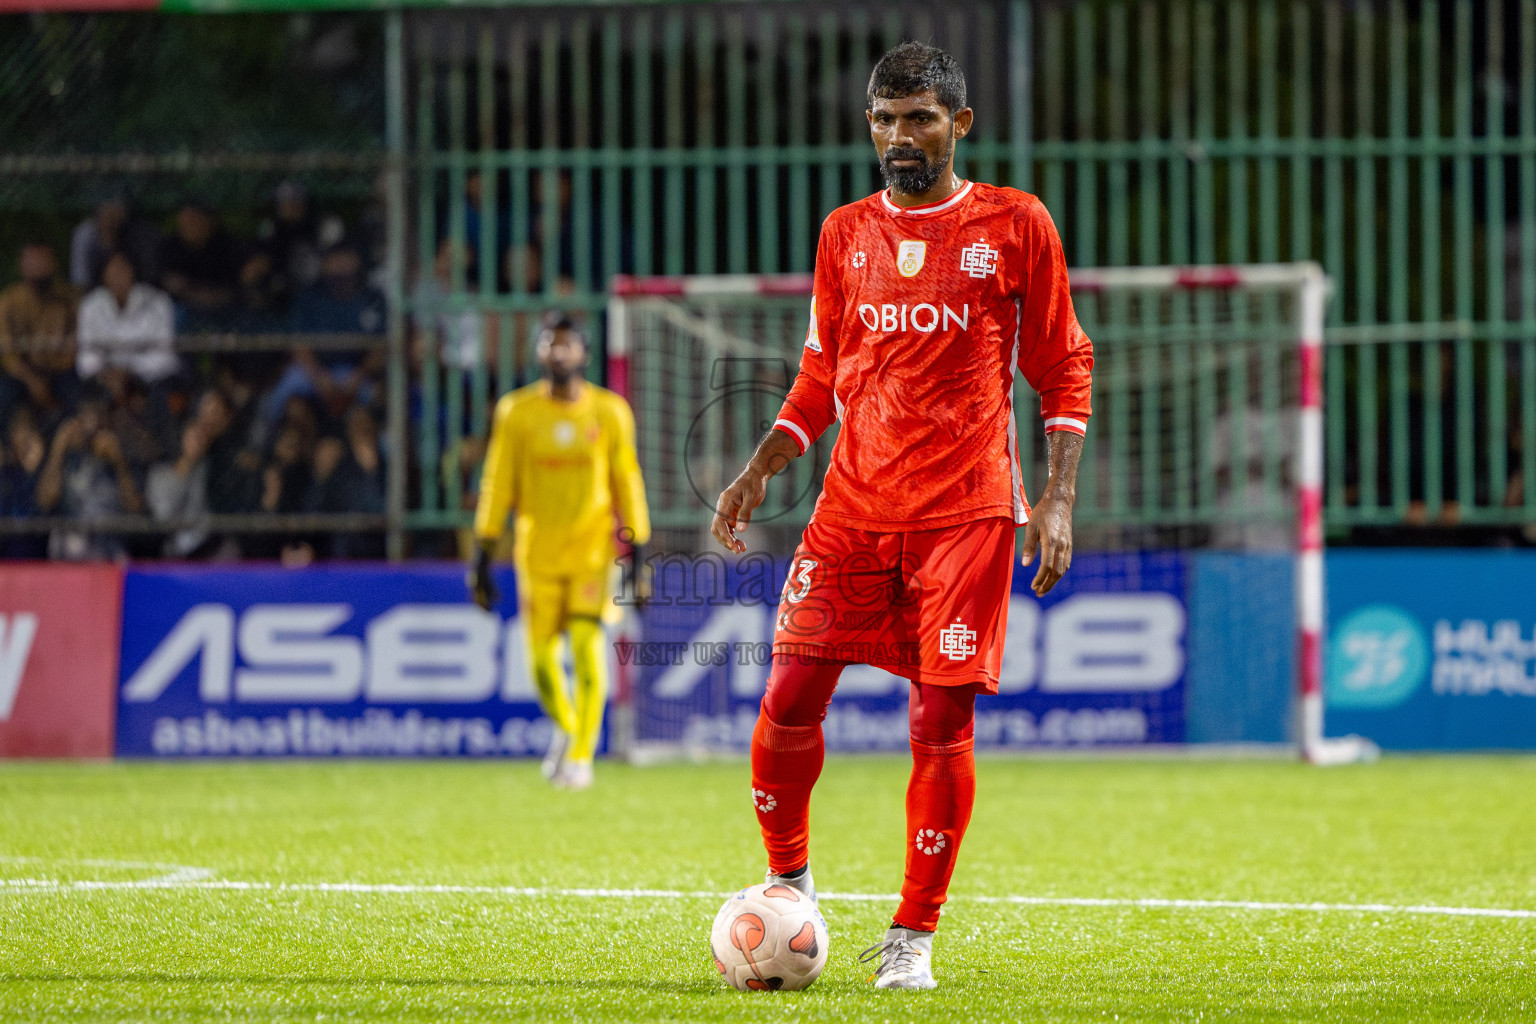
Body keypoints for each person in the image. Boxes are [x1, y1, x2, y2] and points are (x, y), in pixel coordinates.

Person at [709, 43, 1093, 991]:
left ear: (959, 125)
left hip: (966, 515)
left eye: (918, 117)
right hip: (850, 512)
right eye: (883, 119)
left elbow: (1063, 364)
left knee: (939, 718)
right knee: (787, 699)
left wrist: (1057, 498)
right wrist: (760, 465)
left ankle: (910, 938)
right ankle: (788, 885)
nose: (897, 136)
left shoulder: (1014, 224)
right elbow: (819, 376)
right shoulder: (844, 233)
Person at [468, 315, 650, 790]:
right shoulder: (517, 412)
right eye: (551, 343)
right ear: (539, 352)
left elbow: (626, 483)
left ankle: (582, 756)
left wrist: (639, 554)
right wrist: (483, 551)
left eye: (568, 344)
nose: (559, 352)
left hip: (592, 554)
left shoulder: (610, 413)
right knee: (541, 662)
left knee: (589, 650)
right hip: (538, 554)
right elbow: (498, 482)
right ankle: (568, 730)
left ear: (584, 354)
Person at [0, 243, 79, 424]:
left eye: (43, 260)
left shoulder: (69, 299)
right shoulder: (8, 302)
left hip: (61, 371)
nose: (38, 265)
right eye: (33, 260)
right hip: (23, 372)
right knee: (3, 397)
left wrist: (55, 370)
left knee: (77, 397)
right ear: (22, 265)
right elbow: (8, 355)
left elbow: (76, 344)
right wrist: (33, 381)